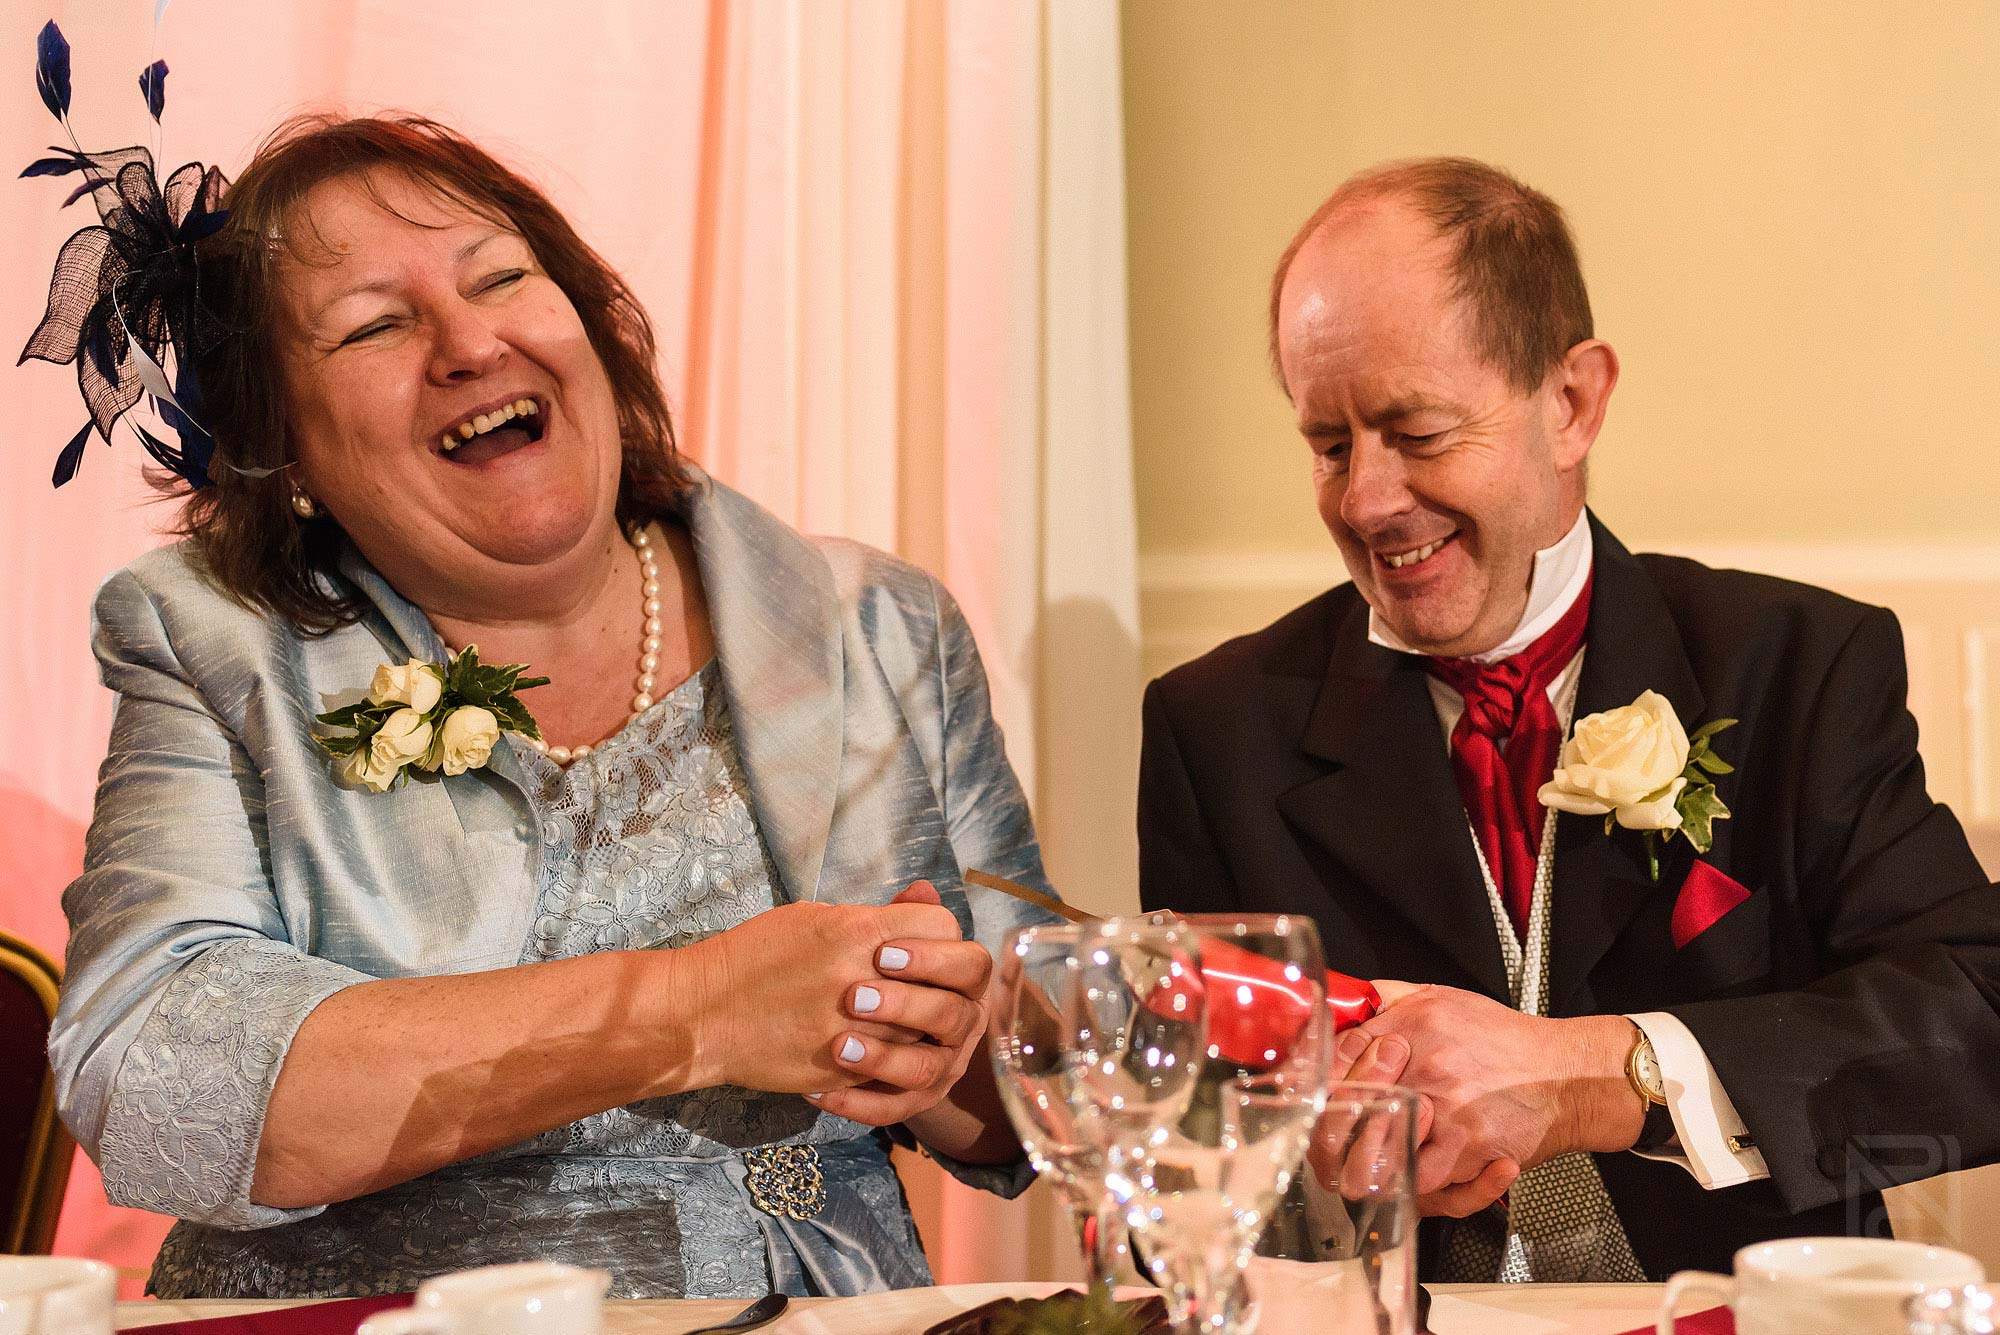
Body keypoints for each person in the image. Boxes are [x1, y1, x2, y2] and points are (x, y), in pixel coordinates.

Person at [41, 113, 1056, 1299]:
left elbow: (1023, 1118)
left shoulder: (876, 622)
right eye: (375, 324)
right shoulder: (213, 642)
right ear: (288, 454)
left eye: (503, 278)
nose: (468, 343)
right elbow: (159, 1077)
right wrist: (696, 1007)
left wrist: (954, 1054)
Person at [1136, 156, 2000, 1281]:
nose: (1363, 501)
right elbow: (1192, 1159)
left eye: (1418, 431)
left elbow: (1977, 1018)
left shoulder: (1795, 665)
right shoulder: (1216, 727)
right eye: (1328, 443)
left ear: (1570, 403)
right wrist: (1311, 1159)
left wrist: (1607, 1074)